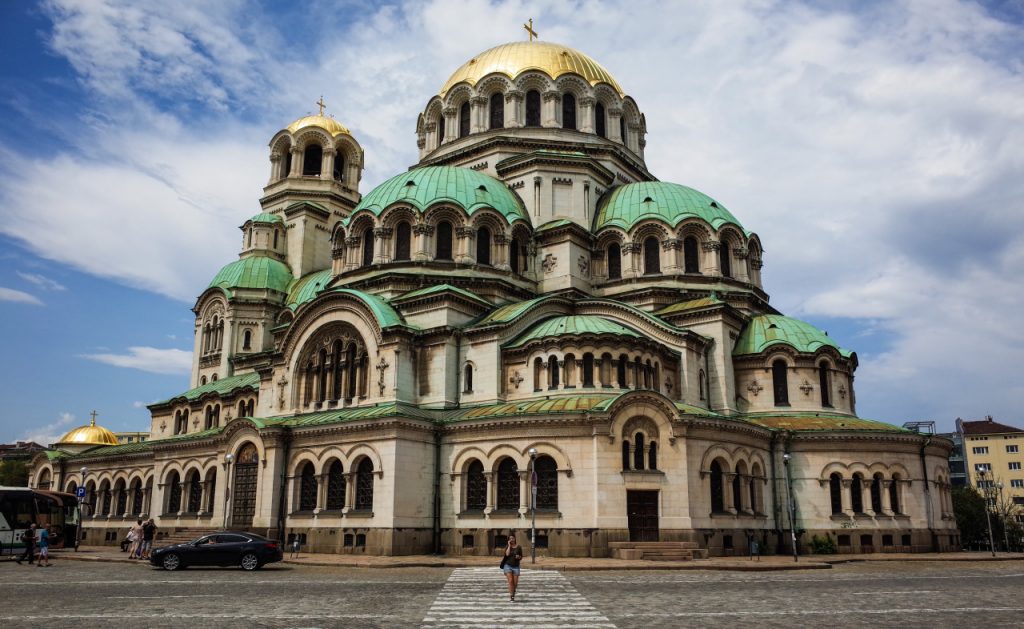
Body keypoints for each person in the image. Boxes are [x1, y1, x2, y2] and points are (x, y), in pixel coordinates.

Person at [501, 534, 524, 602]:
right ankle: (512, 596)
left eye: (512, 538)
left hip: (516, 566)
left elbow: (521, 557)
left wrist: (518, 557)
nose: (511, 539)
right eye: (510, 538)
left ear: (515, 538)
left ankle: (513, 590)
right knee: (510, 581)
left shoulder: (519, 547)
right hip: (507, 565)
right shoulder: (507, 547)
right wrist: (509, 545)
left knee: (515, 583)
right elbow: (507, 554)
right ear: (508, 540)